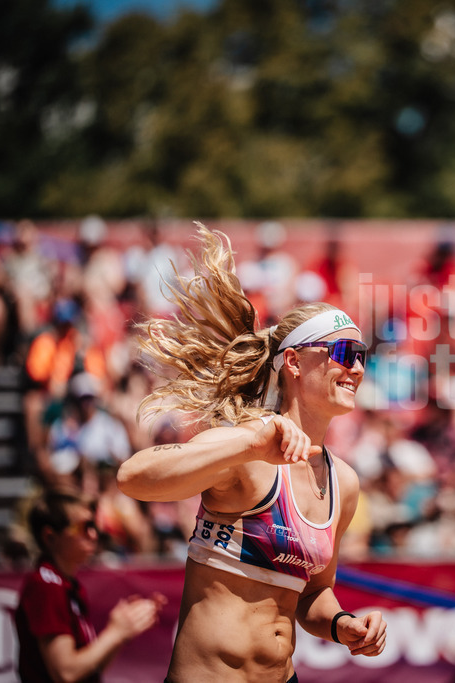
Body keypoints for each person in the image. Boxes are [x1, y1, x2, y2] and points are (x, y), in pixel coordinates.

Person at [117, 224, 387, 683]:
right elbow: (133, 477)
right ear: (295, 362)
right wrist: (248, 442)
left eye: (362, 354)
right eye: (344, 351)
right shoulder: (249, 443)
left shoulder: (344, 481)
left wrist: (344, 626)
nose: (357, 367)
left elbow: (312, 596)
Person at [14, 489, 164, 683]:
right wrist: (114, 632)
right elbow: (66, 673)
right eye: (84, 527)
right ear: (50, 537)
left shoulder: (67, 584)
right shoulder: (46, 586)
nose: (94, 535)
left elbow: (90, 672)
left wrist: (122, 631)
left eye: (94, 525)